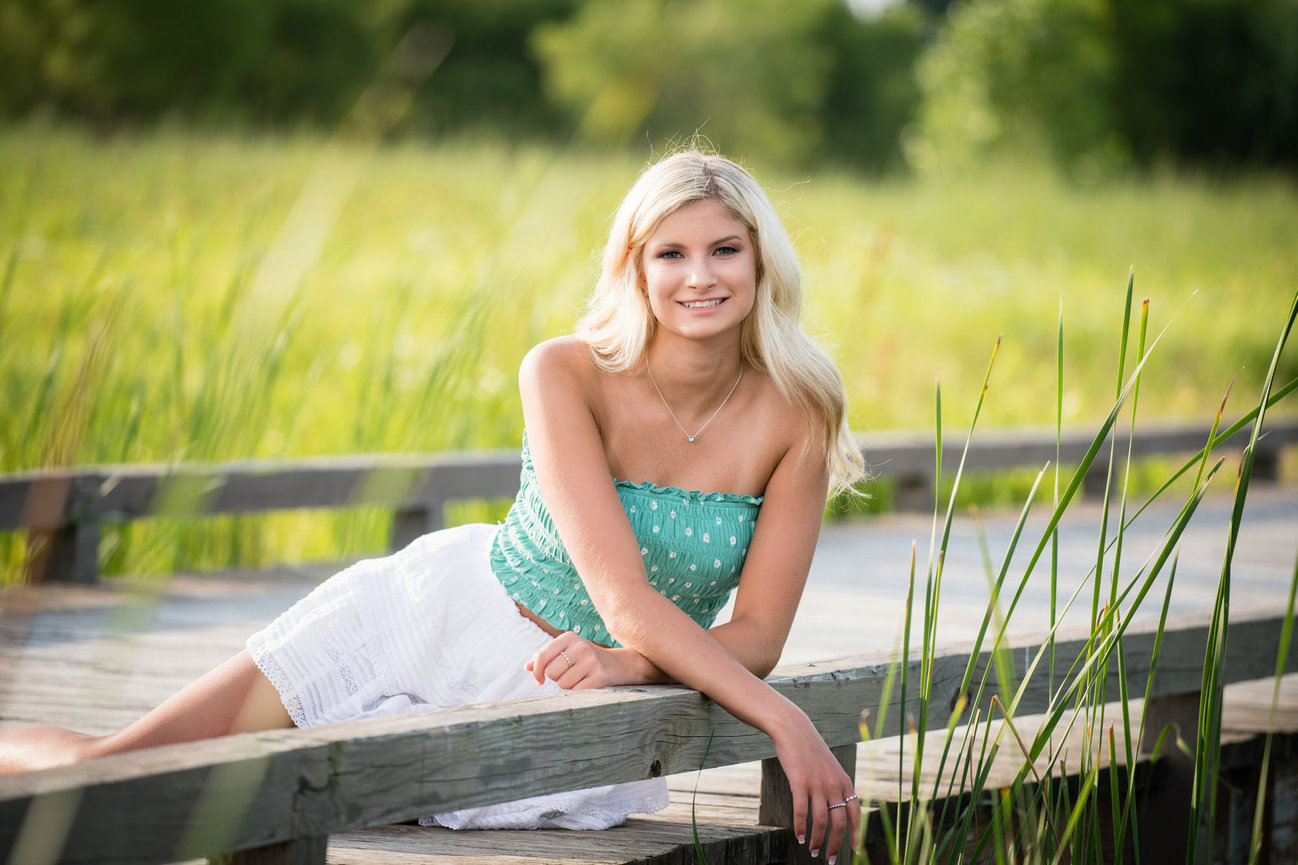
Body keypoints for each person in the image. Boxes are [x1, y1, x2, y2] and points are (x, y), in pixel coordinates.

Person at [0, 150, 866, 862]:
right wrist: (784, 719)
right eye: (669, 253)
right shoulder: (564, 371)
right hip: (433, 614)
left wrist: (634, 667)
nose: (698, 278)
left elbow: (758, 631)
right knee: (123, 772)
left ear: (762, 262)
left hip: (566, 688)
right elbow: (622, 603)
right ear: (634, 268)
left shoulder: (799, 411)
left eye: (724, 250)